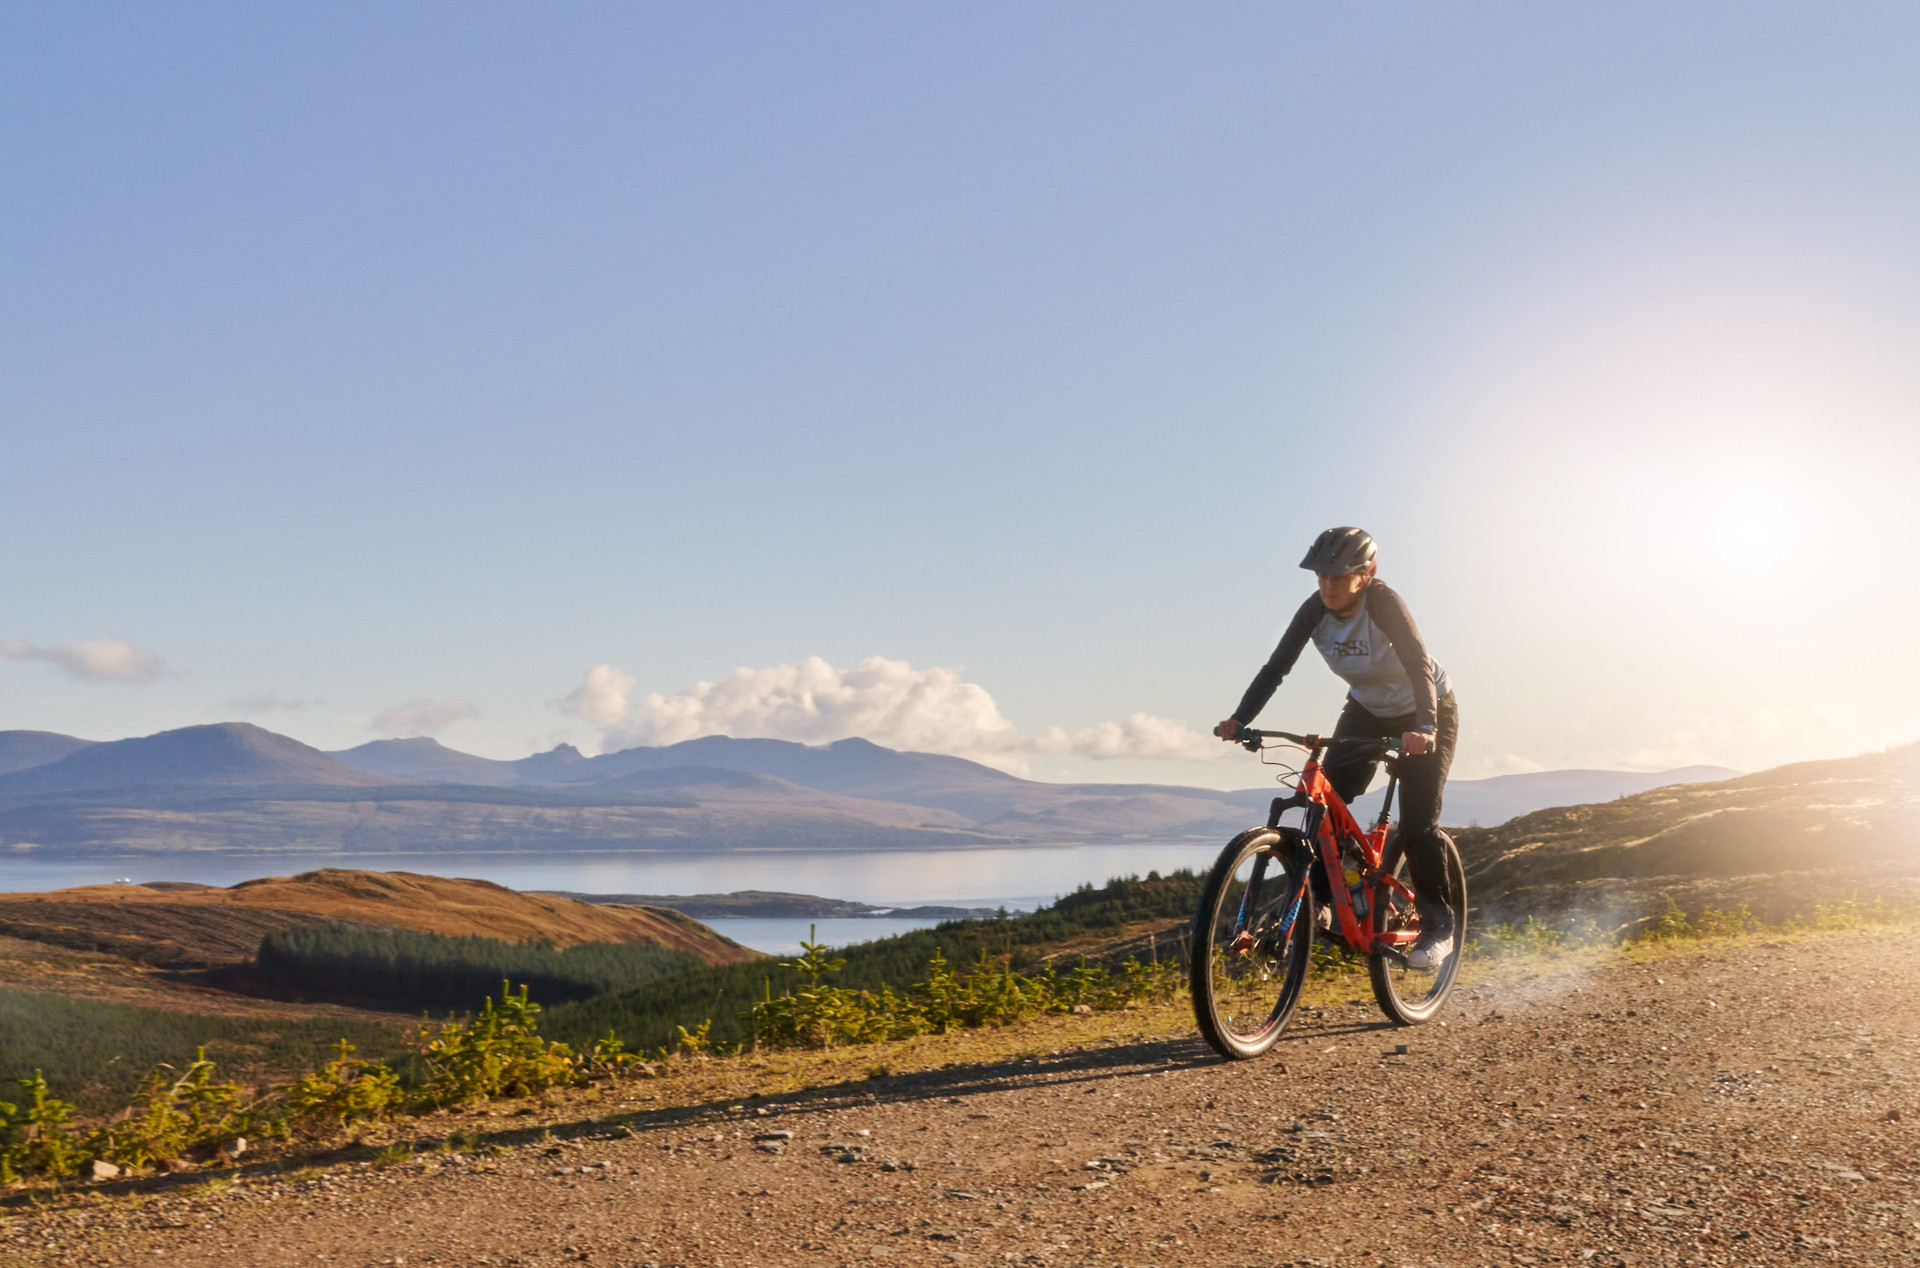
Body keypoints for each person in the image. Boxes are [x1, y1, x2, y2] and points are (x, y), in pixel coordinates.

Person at [1214, 526, 1459, 969]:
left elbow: (1418, 663)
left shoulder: (1383, 603)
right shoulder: (1315, 610)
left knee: (1417, 823)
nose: (1328, 586)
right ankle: (1326, 901)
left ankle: (1439, 927)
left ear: (1366, 574)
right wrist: (1240, 719)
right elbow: (1275, 668)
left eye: (1339, 577)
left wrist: (1425, 727)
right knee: (1326, 803)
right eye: (1321, 576)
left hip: (1426, 709)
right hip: (1367, 710)